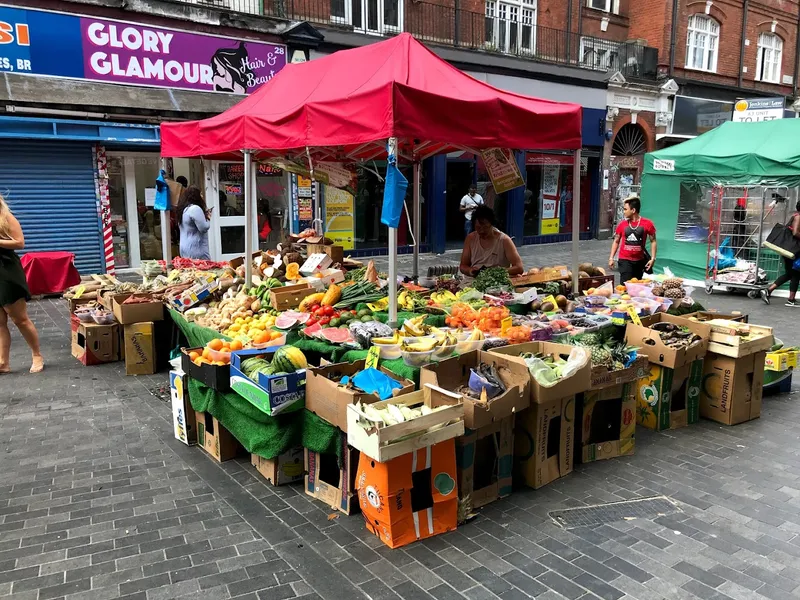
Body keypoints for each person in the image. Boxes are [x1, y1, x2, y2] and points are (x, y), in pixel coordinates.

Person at [0, 195, 43, 374]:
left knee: (20, 319)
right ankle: (3, 362)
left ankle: (37, 355)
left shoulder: (6, 217)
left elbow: (20, 242)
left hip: (7, 271)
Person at [459, 206, 524, 277]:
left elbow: (519, 268)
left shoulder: (504, 240)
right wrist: (470, 271)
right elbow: (463, 266)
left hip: (498, 280)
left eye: (485, 227)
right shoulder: (470, 238)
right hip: (474, 279)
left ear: (492, 225)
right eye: (478, 227)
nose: (482, 231)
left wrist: (495, 272)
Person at [608, 195, 657, 284]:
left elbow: (653, 241)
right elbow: (616, 241)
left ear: (633, 210)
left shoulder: (647, 224)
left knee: (637, 286)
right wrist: (611, 258)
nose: (624, 212)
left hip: (640, 261)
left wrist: (653, 258)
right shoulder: (622, 224)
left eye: (625, 209)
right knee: (625, 287)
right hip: (625, 260)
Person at [763, 200, 800, 306]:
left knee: (791, 274)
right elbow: (795, 232)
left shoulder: (796, 216)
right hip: (792, 250)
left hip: (790, 249)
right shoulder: (798, 217)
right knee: (795, 273)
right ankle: (790, 299)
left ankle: (769, 291)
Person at [177, 185, 212, 260]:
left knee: (189, 270)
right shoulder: (195, 209)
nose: (202, 196)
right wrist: (208, 217)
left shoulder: (184, 209)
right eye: (201, 194)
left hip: (184, 247)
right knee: (202, 270)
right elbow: (204, 228)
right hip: (196, 248)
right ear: (196, 196)